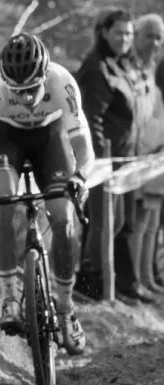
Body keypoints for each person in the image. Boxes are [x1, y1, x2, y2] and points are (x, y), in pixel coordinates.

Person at [0, 33, 94, 356]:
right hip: (7, 140)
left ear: (45, 75)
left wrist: (80, 176)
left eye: (33, 89)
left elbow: (84, 148)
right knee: (2, 202)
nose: (26, 99)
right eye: (18, 92)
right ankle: (10, 297)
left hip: (50, 140)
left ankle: (65, 308)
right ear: (6, 84)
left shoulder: (63, 82)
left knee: (62, 217)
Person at [75, 9, 154, 304]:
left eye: (129, 33)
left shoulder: (120, 65)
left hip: (123, 159)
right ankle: (90, 284)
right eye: (119, 32)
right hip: (102, 161)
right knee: (101, 223)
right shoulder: (96, 68)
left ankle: (108, 286)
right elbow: (91, 117)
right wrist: (98, 160)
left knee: (116, 223)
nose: (125, 39)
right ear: (104, 32)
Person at [131, 14, 164, 295]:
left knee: (152, 221)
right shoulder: (133, 67)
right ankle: (138, 280)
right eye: (149, 35)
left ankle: (148, 277)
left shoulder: (151, 67)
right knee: (139, 222)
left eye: (159, 37)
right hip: (142, 155)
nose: (155, 42)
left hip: (156, 156)